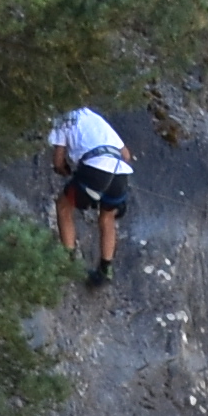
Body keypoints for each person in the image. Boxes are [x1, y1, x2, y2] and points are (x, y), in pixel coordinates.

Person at [42, 104, 135, 289]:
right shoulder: (96, 119)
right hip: (120, 174)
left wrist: (65, 170)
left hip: (94, 170)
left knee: (63, 207)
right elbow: (126, 154)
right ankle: (104, 270)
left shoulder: (63, 119)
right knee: (107, 218)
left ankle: (67, 261)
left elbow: (58, 161)